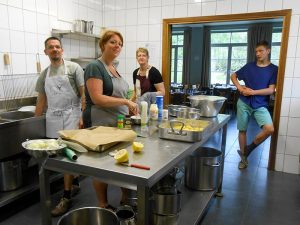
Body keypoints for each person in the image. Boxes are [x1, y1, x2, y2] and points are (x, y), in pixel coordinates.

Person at [83, 30, 138, 209]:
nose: (117, 46)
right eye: (113, 42)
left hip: (118, 123)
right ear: (103, 45)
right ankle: (103, 204)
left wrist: (129, 106)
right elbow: (97, 98)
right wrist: (125, 101)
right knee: (101, 166)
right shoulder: (95, 67)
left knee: (122, 161)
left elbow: (120, 94)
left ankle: (126, 199)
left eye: (120, 44)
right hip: (100, 124)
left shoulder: (113, 68)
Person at [35, 37, 85, 216]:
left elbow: (83, 94)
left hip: (72, 116)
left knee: (66, 158)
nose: (55, 49)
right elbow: (41, 101)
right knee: (58, 157)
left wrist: (82, 116)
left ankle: (66, 197)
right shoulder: (44, 74)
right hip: (53, 118)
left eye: (57, 47)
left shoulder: (74, 68)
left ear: (62, 50)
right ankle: (74, 184)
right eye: (51, 47)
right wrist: (34, 124)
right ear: (46, 52)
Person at [231, 40, 278, 169]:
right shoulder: (249, 66)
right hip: (244, 103)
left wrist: (253, 92)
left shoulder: (274, 69)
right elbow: (233, 76)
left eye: (261, 51)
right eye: (256, 51)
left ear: (268, 51)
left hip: (261, 104)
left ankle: (249, 149)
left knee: (269, 129)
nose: (258, 53)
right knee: (242, 130)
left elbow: (271, 89)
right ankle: (243, 158)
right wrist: (240, 88)